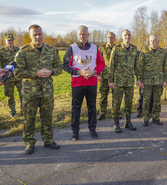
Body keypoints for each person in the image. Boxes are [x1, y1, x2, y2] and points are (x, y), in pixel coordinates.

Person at [14, 24, 62, 154]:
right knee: (29, 119)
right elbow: (17, 72)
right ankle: (29, 142)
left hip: (47, 92)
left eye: (39, 34)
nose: (37, 37)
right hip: (30, 93)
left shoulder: (51, 50)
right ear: (29, 36)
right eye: (34, 34)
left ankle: (48, 140)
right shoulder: (23, 51)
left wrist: (51, 71)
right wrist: (36, 73)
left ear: (43, 34)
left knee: (47, 118)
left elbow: (59, 68)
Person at [63, 25, 105, 141]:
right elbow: (65, 65)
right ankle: (75, 131)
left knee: (92, 106)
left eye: (84, 34)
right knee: (76, 108)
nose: (82, 36)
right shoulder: (72, 48)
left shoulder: (95, 48)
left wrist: (95, 71)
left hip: (91, 83)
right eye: (80, 34)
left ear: (88, 35)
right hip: (77, 83)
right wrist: (78, 72)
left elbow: (101, 63)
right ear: (78, 35)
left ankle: (92, 129)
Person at [108, 29, 140, 133]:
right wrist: (110, 80)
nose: (127, 36)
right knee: (116, 103)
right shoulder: (116, 49)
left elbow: (137, 66)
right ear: (122, 36)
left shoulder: (134, 49)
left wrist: (138, 78)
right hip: (118, 81)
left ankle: (128, 122)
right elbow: (111, 65)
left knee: (129, 102)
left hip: (129, 81)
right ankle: (116, 123)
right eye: (125, 35)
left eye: (129, 35)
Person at [139, 34, 167, 127]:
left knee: (157, 101)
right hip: (147, 81)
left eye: (154, 41)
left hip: (158, 80)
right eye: (151, 41)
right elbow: (140, 67)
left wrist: (164, 80)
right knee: (146, 101)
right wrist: (140, 80)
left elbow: (165, 66)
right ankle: (145, 118)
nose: (152, 42)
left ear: (158, 42)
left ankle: (156, 117)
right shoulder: (144, 52)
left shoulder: (162, 52)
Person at [0, 34, 23, 117]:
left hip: (18, 76)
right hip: (8, 77)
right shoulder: (1, 51)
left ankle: (23, 111)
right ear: (5, 41)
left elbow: (22, 61)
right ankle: (12, 111)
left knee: (23, 94)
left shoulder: (18, 50)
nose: (11, 41)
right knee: (9, 95)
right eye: (9, 40)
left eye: (12, 40)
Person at [97, 32, 116, 120]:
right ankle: (102, 112)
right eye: (108, 37)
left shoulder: (117, 48)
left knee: (116, 96)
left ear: (114, 39)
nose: (110, 39)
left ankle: (115, 112)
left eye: (112, 37)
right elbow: (97, 61)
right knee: (103, 95)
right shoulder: (102, 48)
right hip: (104, 76)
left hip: (115, 76)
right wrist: (99, 75)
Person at [136, 38, 154, 118]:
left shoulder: (155, 52)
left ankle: (150, 111)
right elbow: (138, 66)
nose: (150, 43)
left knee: (151, 96)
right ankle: (140, 111)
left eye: (151, 41)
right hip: (143, 79)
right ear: (146, 43)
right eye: (148, 42)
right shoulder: (141, 52)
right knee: (142, 96)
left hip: (152, 79)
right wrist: (139, 79)